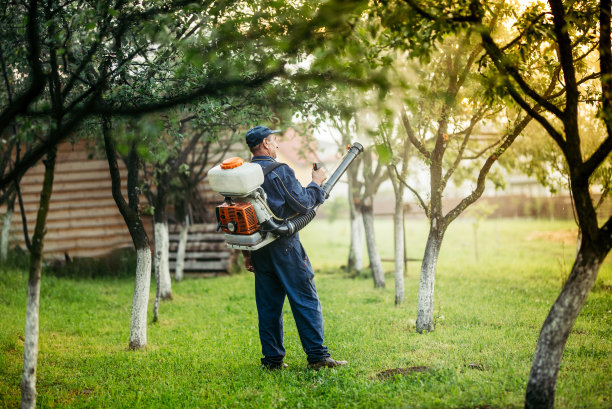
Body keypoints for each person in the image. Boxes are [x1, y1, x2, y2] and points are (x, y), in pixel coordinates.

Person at [242, 125, 347, 371]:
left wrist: (246, 253)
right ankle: (318, 357)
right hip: (285, 246)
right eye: (275, 140)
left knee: (268, 306)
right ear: (266, 144)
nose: (278, 145)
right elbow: (303, 203)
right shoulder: (279, 171)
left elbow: (243, 216)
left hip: (258, 248)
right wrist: (316, 182)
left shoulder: (243, 174)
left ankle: (272, 361)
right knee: (305, 298)